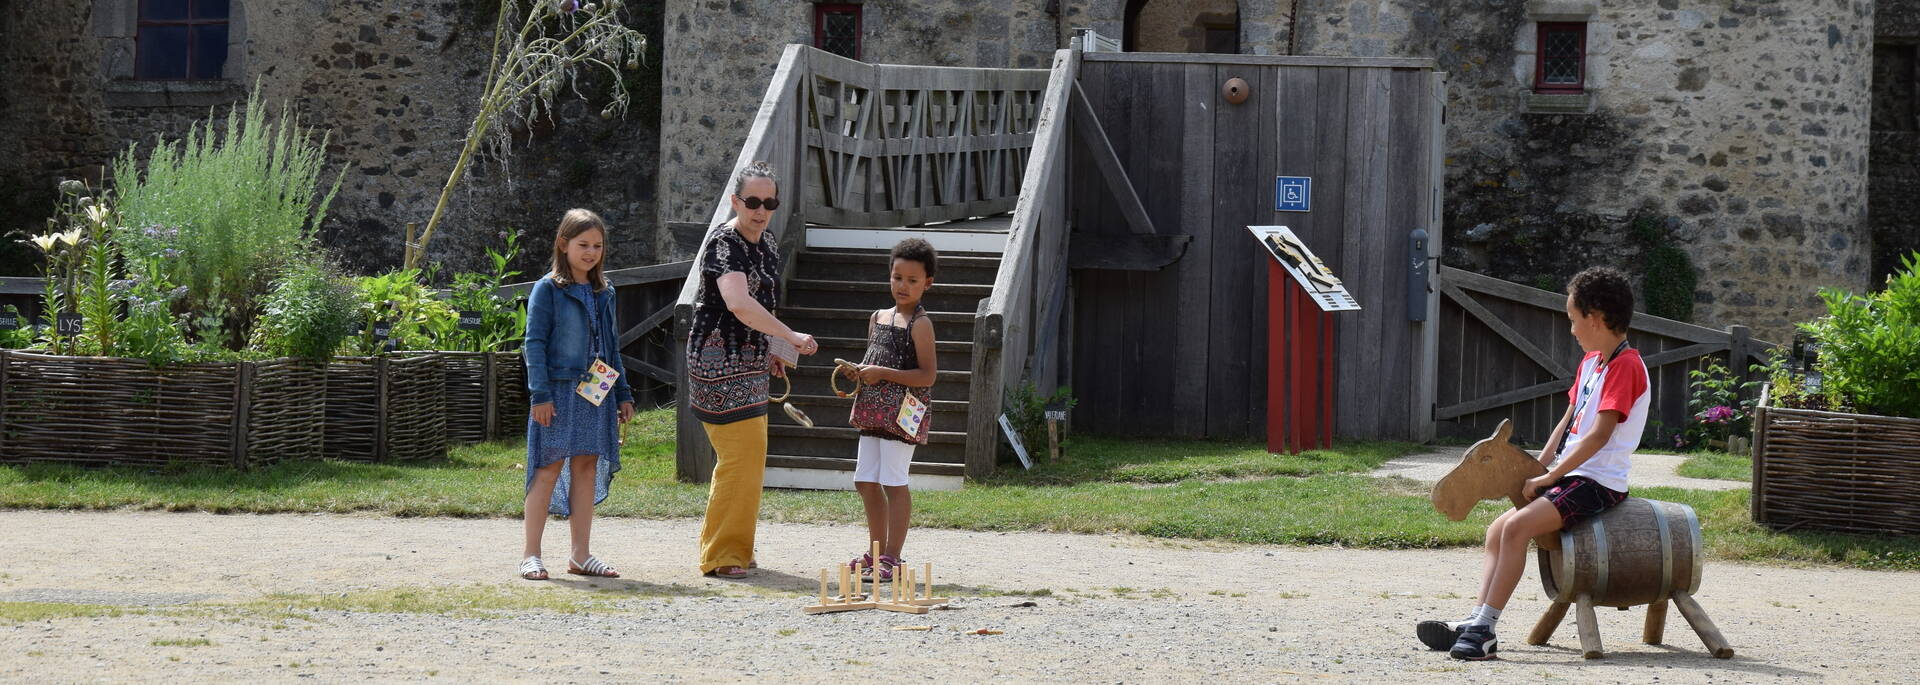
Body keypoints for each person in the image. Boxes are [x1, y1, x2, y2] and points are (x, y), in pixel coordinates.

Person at [1418, 266, 1650, 660]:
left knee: (1517, 528)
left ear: (1594, 318)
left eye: (1574, 320)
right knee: (1498, 529)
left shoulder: (1626, 366)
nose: (1572, 329)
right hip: (1570, 474)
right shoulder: (1593, 363)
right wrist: (1539, 467)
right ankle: (1476, 619)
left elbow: (1599, 435)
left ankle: (1486, 630)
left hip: (1597, 483)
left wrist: (1554, 476)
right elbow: (1569, 421)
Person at [687, 161, 818, 578]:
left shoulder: (768, 242)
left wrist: (776, 347)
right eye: (753, 202)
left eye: (770, 202)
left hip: (752, 361)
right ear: (735, 201)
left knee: (749, 457)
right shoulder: (723, 243)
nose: (761, 210)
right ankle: (722, 554)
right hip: (717, 361)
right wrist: (793, 336)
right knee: (739, 458)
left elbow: (765, 304)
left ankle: (733, 547)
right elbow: (739, 303)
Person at [519, 209, 635, 581]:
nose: (590, 252)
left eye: (597, 246)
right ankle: (531, 555)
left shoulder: (605, 291)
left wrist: (623, 394)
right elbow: (533, 344)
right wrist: (539, 395)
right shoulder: (547, 289)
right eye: (583, 244)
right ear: (563, 244)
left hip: (595, 389)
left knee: (585, 467)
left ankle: (580, 555)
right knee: (548, 467)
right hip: (557, 391)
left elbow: (612, 348)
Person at [844, 238, 939, 582]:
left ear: (927, 283)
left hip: (904, 414)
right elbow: (876, 360)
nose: (903, 286)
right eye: (898, 277)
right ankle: (875, 550)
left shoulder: (922, 324)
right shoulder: (877, 317)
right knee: (865, 480)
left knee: (893, 482)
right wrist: (861, 372)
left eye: (913, 280)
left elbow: (927, 376)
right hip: (872, 413)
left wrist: (883, 374)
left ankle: (892, 558)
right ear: (889, 276)